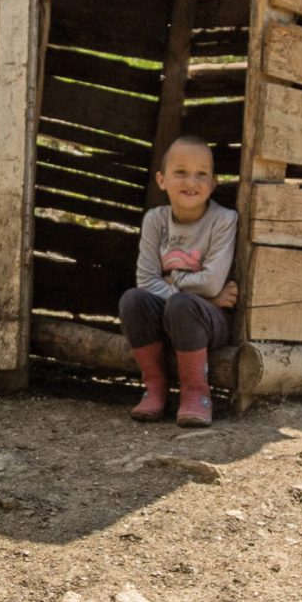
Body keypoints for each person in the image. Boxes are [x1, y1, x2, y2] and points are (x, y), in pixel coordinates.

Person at [118, 135, 238, 427]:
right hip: (184, 309)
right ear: (161, 180)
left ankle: (197, 394)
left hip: (210, 322)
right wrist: (202, 293)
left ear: (213, 183)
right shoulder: (155, 221)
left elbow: (212, 282)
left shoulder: (223, 220)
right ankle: (155, 390)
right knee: (132, 300)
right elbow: (146, 281)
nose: (191, 181)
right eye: (180, 172)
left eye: (201, 174)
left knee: (184, 306)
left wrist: (185, 287)